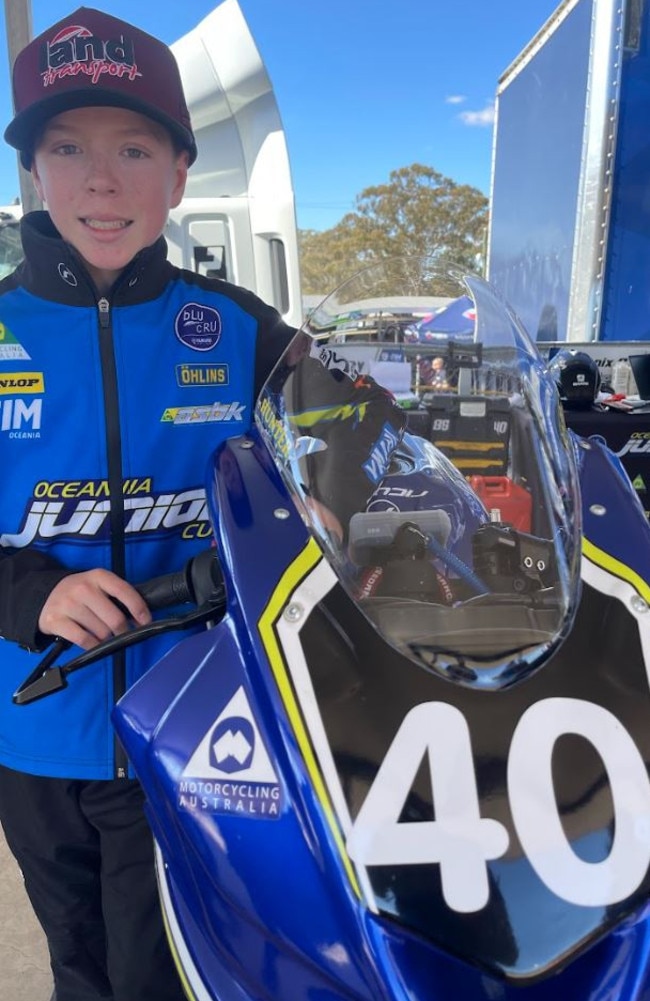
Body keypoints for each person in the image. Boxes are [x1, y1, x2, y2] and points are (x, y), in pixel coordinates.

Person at [0, 7, 296, 1001]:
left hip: (191, 726)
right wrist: (27, 588)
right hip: (28, 732)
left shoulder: (237, 326)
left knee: (166, 973)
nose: (101, 179)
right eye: (67, 147)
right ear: (33, 172)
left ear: (179, 172)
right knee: (79, 963)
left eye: (134, 147)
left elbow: (365, 433)